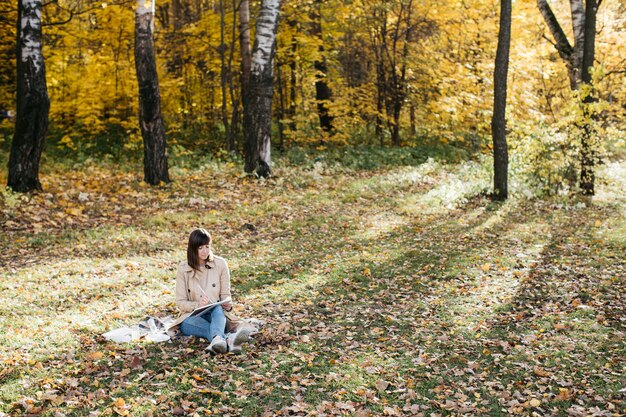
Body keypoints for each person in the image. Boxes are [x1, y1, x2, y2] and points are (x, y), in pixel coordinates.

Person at [169, 228, 250, 354]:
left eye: (207, 246)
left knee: (217, 308)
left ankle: (218, 339)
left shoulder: (220, 264)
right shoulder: (183, 268)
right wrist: (197, 305)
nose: (205, 251)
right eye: (200, 248)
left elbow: (225, 295)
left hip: (216, 314)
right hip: (192, 315)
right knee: (187, 323)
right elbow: (180, 302)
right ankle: (226, 338)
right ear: (193, 248)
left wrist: (227, 305)